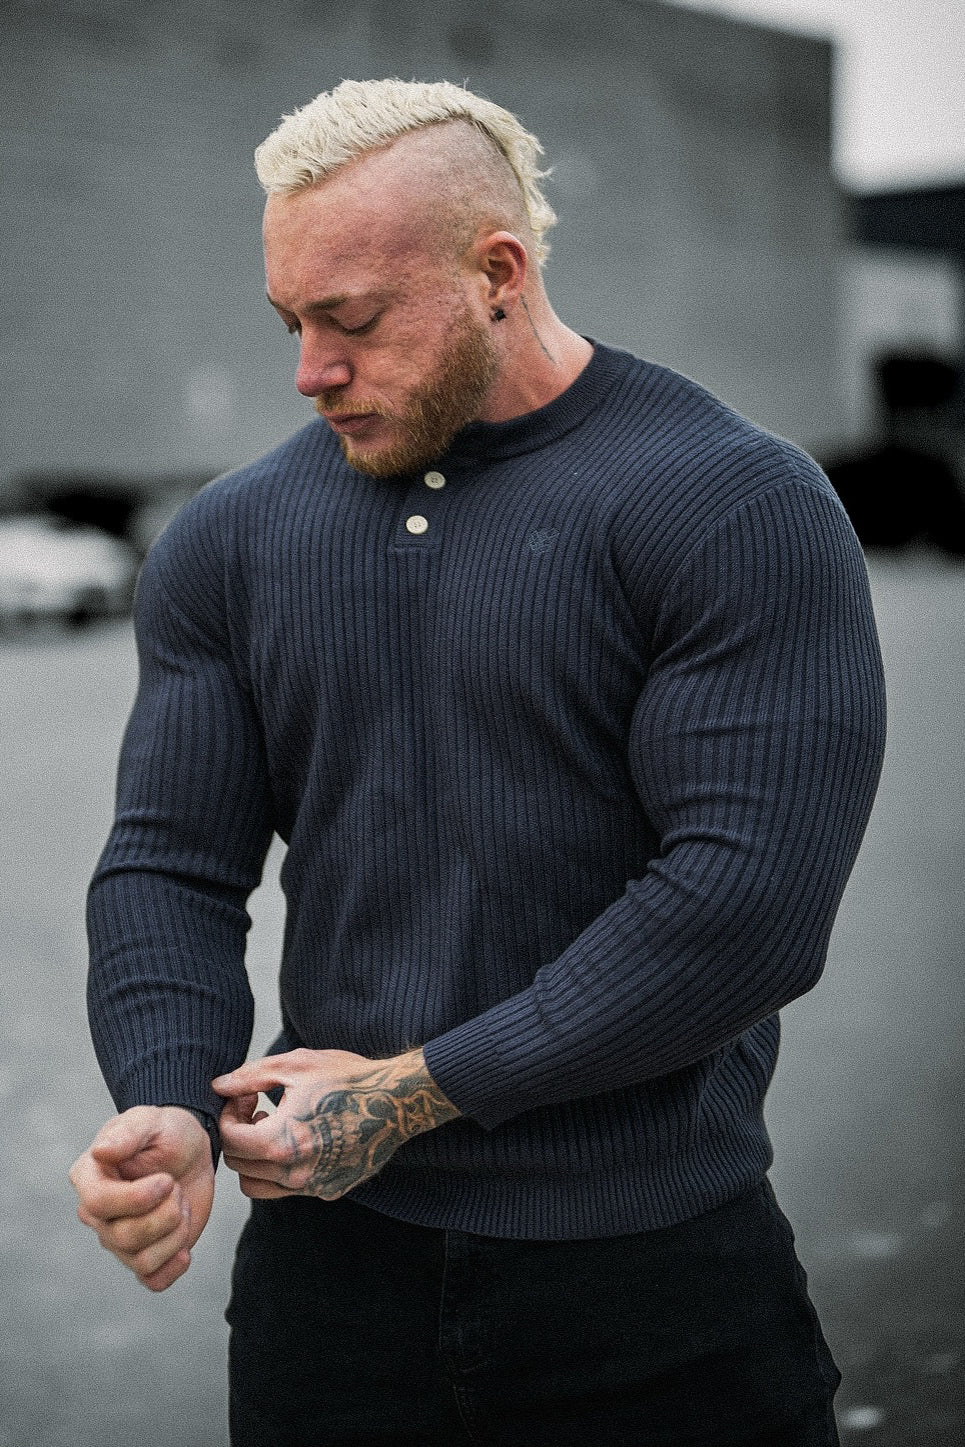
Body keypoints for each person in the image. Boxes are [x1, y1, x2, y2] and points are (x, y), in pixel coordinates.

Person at [70, 78, 886, 1446]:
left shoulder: (729, 501)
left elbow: (743, 906)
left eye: (353, 321)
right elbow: (171, 862)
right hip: (328, 1289)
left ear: (497, 273)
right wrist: (167, 1096)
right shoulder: (230, 537)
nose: (310, 371)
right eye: (290, 323)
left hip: (648, 1277)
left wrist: (407, 1098)